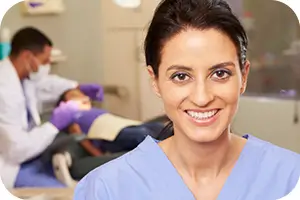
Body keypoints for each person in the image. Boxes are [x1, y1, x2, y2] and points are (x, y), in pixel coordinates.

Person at [74, 0, 300, 199]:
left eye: (220, 73)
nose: (202, 98)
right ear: (155, 81)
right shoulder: (107, 189)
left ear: (244, 77)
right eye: (181, 76)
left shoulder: (290, 176)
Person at [0, 27, 103, 188]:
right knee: (63, 193)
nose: (47, 66)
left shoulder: (23, 77)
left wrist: (77, 87)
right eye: (45, 61)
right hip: (11, 167)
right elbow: (16, 150)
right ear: (28, 56)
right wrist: (54, 124)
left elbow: (46, 85)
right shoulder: (4, 89)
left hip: (32, 154)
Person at [56, 88, 165, 156]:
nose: (83, 96)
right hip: (109, 137)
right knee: (144, 134)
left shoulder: (95, 111)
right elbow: (78, 136)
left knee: (159, 127)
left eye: (81, 94)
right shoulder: (73, 116)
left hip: (123, 126)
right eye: (75, 95)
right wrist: (99, 156)